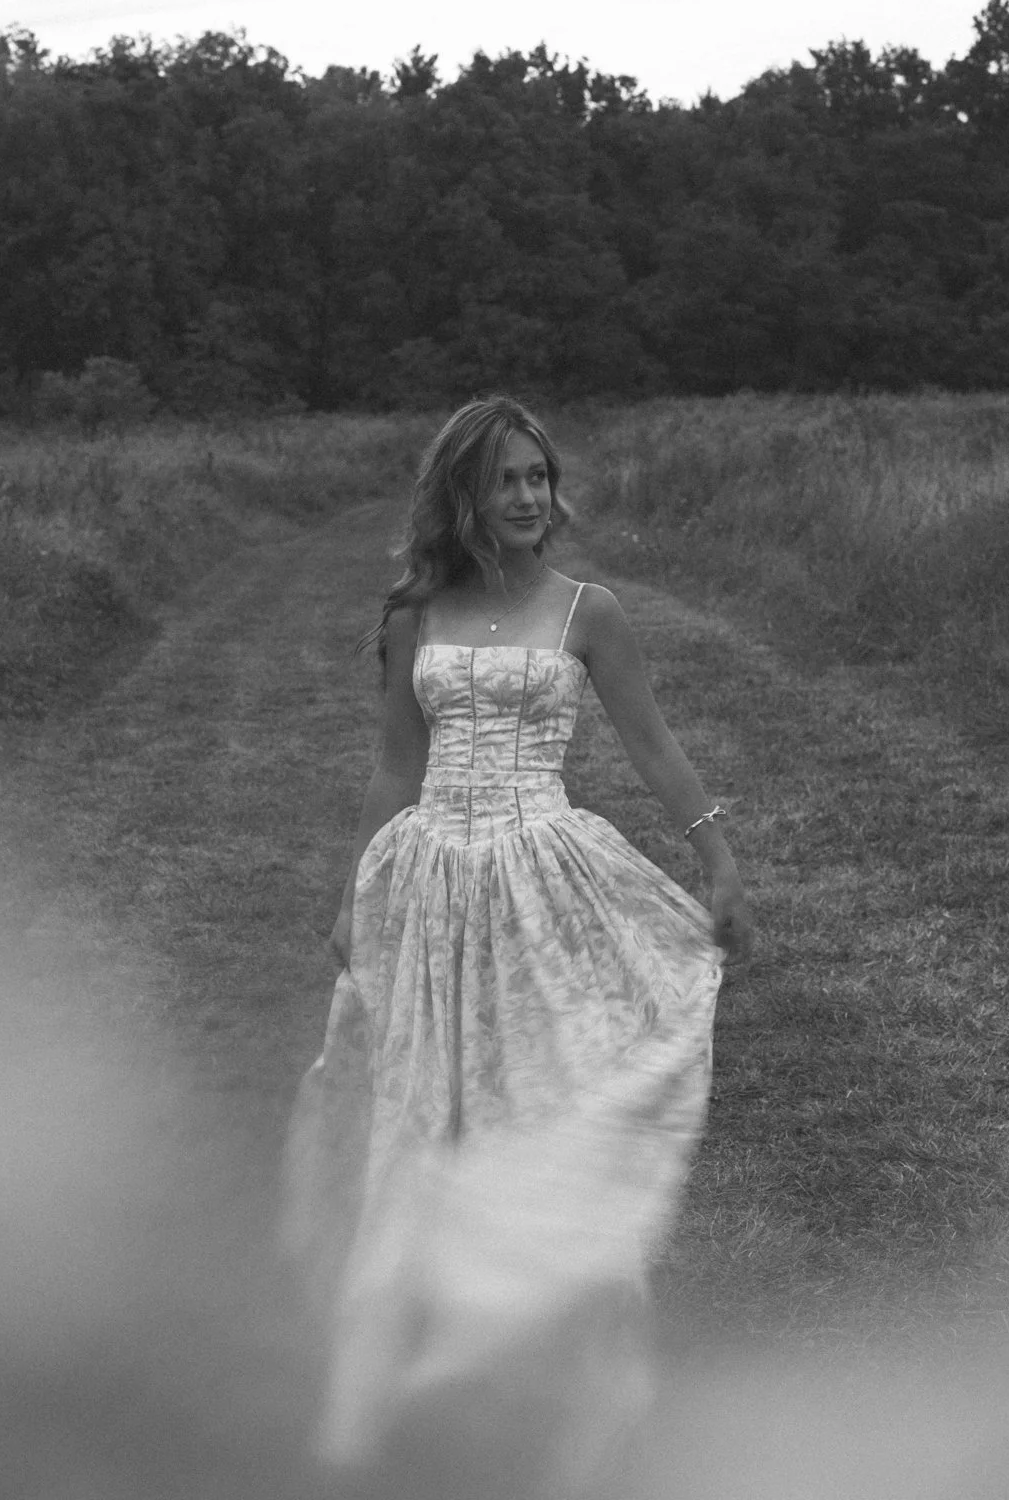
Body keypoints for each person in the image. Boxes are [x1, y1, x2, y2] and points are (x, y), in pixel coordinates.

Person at [283, 395, 752, 1498]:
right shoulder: (415, 613)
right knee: (421, 1116)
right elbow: (397, 765)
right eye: (507, 480)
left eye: (540, 477)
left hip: (543, 877)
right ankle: (390, 1387)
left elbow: (652, 743)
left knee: (542, 1103)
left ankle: (582, 1383)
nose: (531, 497)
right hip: (430, 882)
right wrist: (356, 897)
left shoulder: (590, 611)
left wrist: (718, 859)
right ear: (464, 495)